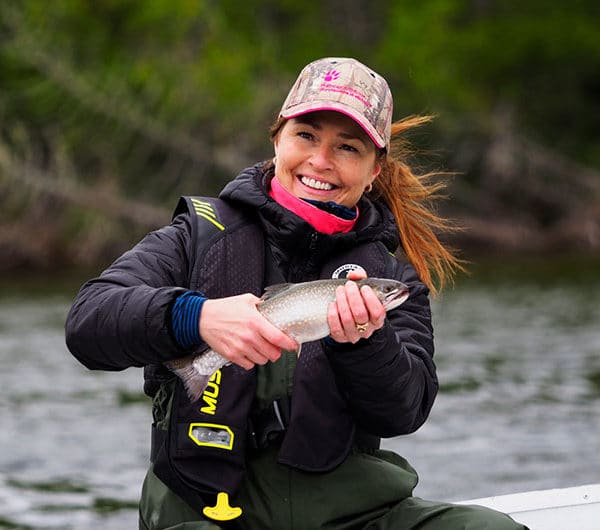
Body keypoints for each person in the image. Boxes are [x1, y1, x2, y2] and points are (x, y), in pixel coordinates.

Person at [65, 57, 526, 530]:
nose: (321, 162)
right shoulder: (194, 236)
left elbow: (406, 410)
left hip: (352, 514)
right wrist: (195, 316)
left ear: (375, 170)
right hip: (208, 510)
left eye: (347, 148)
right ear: (277, 139)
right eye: (306, 136)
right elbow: (87, 323)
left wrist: (366, 343)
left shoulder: (392, 277)